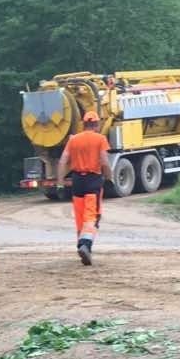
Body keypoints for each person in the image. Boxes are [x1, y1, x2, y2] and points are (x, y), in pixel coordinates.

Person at [58, 110, 111, 265]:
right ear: (96, 124)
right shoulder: (100, 139)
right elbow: (104, 162)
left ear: (84, 123)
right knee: (91, 217)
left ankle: (81, 245)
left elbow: (62, 161)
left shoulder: (73, 140)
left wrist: (60, 183)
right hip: (93, 181)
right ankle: (86, 245)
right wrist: (109, 178)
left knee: (80, 217)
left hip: (77, 182)